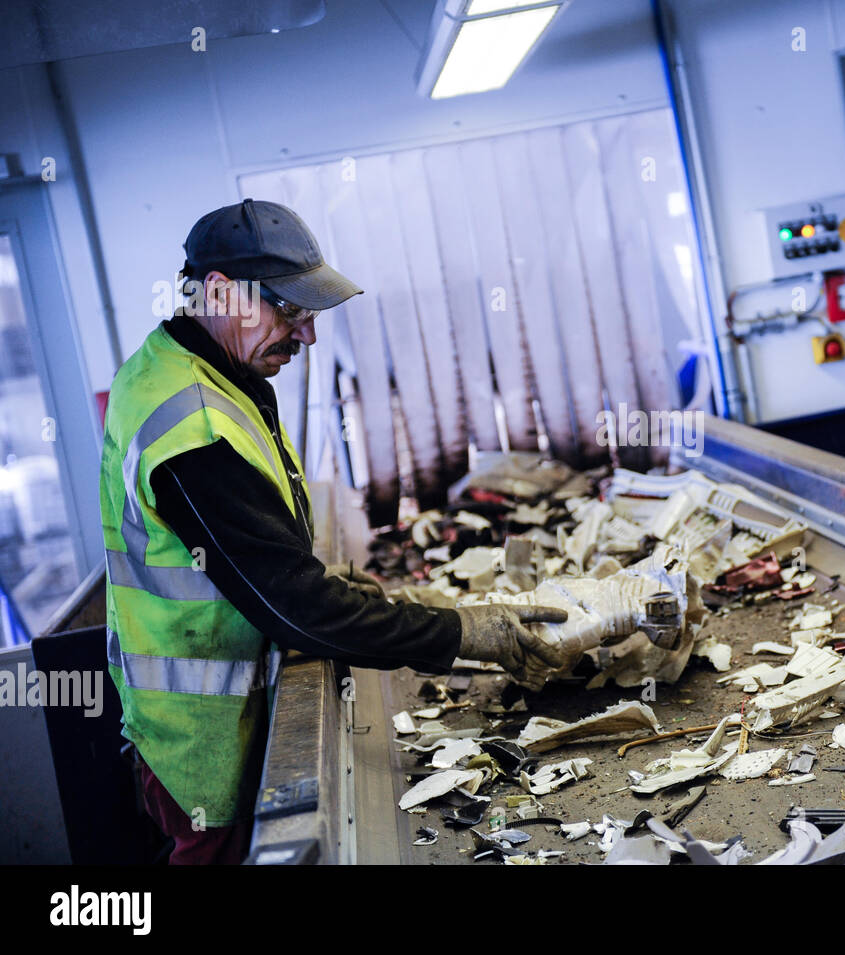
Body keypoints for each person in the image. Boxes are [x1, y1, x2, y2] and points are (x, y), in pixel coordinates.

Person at [100, 199, 568, 864]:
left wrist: (357, 589)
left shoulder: (203, 372)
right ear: (220, 294)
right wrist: (463, 632)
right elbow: (298, 606)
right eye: (288, 310)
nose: (308, 336)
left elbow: (264, 556)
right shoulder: (191, 425)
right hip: (200, 744)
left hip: (227, 711)